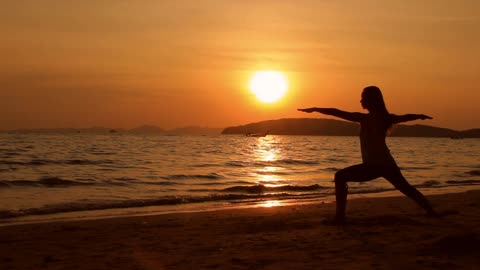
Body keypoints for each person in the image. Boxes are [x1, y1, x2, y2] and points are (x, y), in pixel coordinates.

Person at [298, 86, 437, 224]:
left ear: (372, 100)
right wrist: (316, 109)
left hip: (376, 164)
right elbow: (337, 112)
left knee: (340, 177)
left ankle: (340, 217)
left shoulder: (377, 118)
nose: (360, 101)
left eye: (363, 97)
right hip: (386, 163)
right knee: (406, 188)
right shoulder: (372, 118)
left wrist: (418, 116)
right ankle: (431, 212)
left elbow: (404, 118)